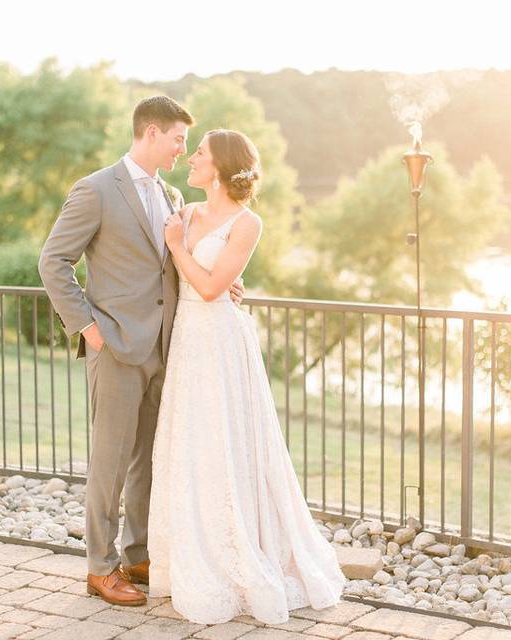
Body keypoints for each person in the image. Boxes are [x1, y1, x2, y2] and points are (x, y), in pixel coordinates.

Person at [38, 96, 244, 606]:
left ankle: (137, 553)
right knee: (109, 461)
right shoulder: (96, 190)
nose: (183, 150)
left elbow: (173, 265)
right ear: (151, 133)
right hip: (116, 346)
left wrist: (225, 286)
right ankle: (100, 567)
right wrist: (88, 328)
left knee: (150, 460)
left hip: (167, 348)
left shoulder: (174, 195)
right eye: (178, 139)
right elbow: (53, 261)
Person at [148, 129, 346, 624]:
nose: (191, 159)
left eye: (200, 154)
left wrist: (178, 250)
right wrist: (181, 248)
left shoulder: (246, 223)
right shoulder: (185, 213)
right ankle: (192, 551)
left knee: (229, 440)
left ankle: (244, 552)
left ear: (219, 166)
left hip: (221, 339)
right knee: (191, 441)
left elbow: (214, 288)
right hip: (187, 340)